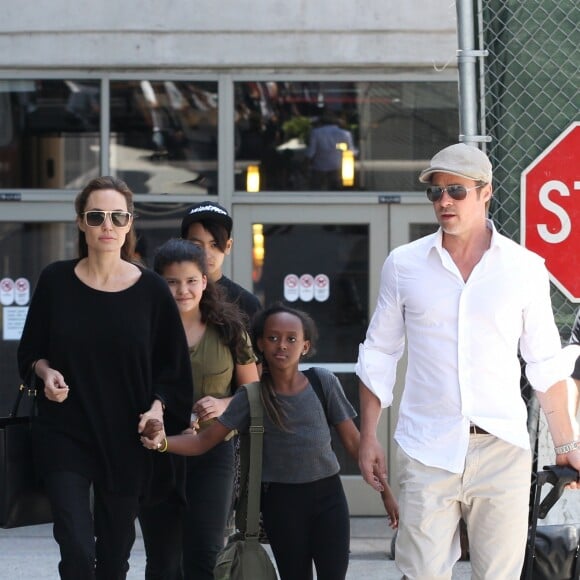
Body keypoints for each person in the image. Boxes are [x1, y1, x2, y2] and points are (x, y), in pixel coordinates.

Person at [355, 143, 580, 580]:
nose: (444, 202)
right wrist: (368, 436)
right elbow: (379, 352)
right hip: (425, 447)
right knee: (421, 574)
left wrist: (568, 447)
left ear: (485, 192)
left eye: (456, 191)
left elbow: (545, 365)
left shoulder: (525, 268)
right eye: (435, 193)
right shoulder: (404, 265)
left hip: (502, 449)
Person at [16, 176, 193, 580]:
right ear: (81, 223)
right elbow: (30, 353)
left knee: (113, 559)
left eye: (117, 216)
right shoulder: (55, 281)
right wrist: (46, 373)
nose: (107, 226)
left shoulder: (151, 291)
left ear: (130, 223)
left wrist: (157, 406)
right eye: (96, 216)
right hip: (65, 432)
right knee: (77, 549)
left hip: (126, 438)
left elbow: (174, 370)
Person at [141, 303, 399, 580]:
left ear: (305, 346)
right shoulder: (251, 396)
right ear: (260, 344)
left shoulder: (323, 383)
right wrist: (162, 442)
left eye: (291, 339)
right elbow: (205, 441)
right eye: (273, 338)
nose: (282, 345)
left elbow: (354, 443)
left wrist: (385, 491)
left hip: (329, 499)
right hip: (282, 504)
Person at [138, 238, 259, 580]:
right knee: (162, 562)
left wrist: (223, 403)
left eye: (191, 281)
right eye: (172, 282)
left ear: (205, 281)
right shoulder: (143, 331)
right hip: (158, 455)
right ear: (158, 283)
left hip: (212, 453)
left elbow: (253, 391)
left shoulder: (229, 328)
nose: (183, 290)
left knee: (205, 556)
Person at [180, 201, 261, 325]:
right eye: (197, 245)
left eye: (215, 245)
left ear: (228, 246)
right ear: (183, 244)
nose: (206, 254)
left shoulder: (246, 303)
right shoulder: (172, 295)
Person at [305, 111, 356, 190]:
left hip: (319, 168)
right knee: (335, 192)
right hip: (337, 168)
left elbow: (311, 152)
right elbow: (351, 151)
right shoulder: (345, 134)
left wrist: (305, 165)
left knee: (315, 192)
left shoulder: (316, 133)